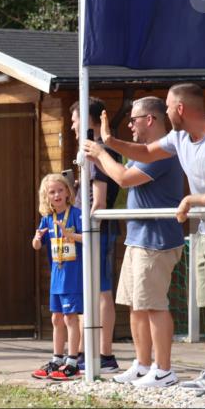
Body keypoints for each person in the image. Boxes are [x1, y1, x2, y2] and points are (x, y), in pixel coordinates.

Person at [100, 83, 205, 395]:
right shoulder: (180, 137)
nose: (166, 111)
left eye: (169, 107)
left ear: (181, 109)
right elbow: (145, 152)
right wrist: (109, 142)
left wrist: (190, 200)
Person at [83, 97, 184, 388]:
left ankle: (163, 370)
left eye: (133, 120)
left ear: (149, 120)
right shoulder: (144, 151)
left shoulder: (164, 151)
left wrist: (101, 153)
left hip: (156, 241)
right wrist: (101, 153)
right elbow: (121, 171)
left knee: (154, 306)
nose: (129, 126)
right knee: (136, 306)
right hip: (138, 239)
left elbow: (125, 178)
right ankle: (142, 366)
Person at [71, 98, 120, 373]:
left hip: (97, 230)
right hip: (85, 230)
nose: (72, 126)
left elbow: (99, 200)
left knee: (101, 291)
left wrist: (87, 229)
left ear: (87, 119)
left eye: (75, 120)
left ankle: (105, 355)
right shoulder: (90, 151)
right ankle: (83, 352)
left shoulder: (101, 151)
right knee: (88, 290)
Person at [30, 173, 85, 380]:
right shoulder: (47, 219)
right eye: (52, 192)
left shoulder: (77, 214)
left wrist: (69, 234)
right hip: (57, 277)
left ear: (68, 192)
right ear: (46, 197)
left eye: (60, 190)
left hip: (73, 276)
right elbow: (36, 245)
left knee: (71, 318)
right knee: (56, 318)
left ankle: (73, 362)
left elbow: (87, 238)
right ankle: (57, 359)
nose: (57, 195)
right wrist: (37, 239)